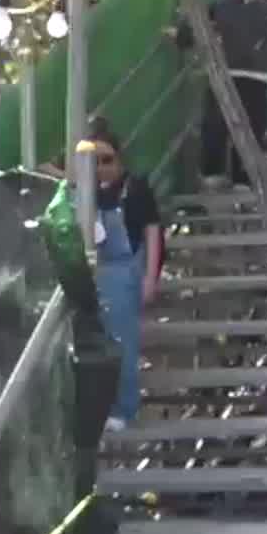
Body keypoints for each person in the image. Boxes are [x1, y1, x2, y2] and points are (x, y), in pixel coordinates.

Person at [80, 118, 164, 432]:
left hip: (125, 272)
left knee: (122, 344)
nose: (101, 167)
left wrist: (150, 277)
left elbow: (153, 231)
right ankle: (96, 410)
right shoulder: (83, 193)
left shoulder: (136, 188)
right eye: (94, 161)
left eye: (107, 160)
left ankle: (123, 408)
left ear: (120, 158)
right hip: (93, 271)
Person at [197, 0, 267, 189]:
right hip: (226, 71)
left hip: (256, 74)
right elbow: (200, 24)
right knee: (216, 123)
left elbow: (258, 29)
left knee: (253, 126)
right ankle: (213, 172)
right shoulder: (221, 3)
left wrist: (250, 0)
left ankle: (245, 175)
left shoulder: (266, 1)